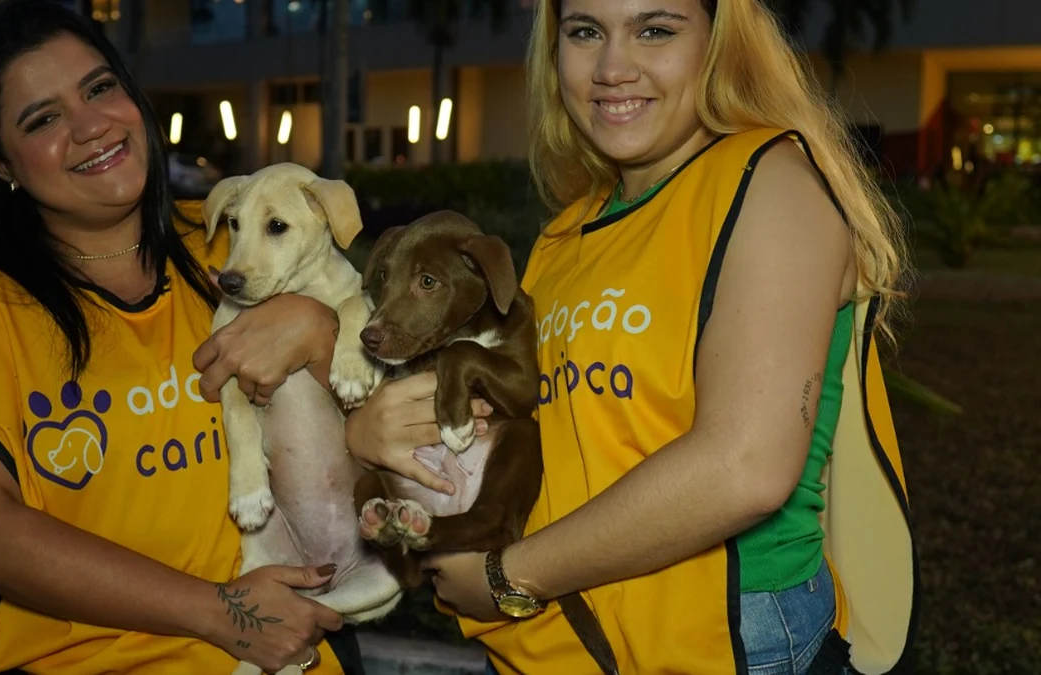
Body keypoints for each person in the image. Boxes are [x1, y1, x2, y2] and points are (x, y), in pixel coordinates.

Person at [342, 1, 919, 674]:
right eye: (585, 32)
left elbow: (745, 467)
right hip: (585, 636)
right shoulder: (567, 233)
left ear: (720, 42)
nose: (613, 68)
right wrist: (371, 433)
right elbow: (532, 430)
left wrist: (508, 575)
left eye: (655, 30)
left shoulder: (769, 184)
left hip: (728, 637)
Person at [0, 1, 362, 672]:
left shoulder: (244, 240)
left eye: (99, 87)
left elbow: (376, 413)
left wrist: (321, 325)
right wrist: (219, 611)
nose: (92, 126)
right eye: (44, 118)